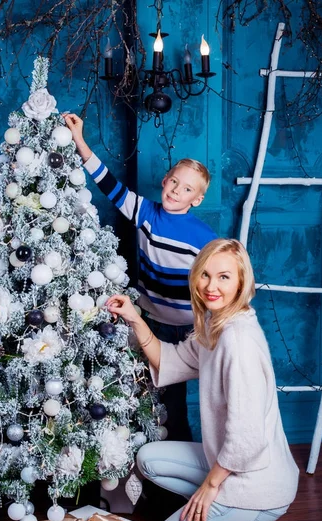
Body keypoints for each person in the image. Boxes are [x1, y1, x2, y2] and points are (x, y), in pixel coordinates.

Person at [105, 238, 300, 521]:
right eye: (205, 275)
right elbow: (172, 360)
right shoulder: (216, 324)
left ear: (242, 282)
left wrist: (210, 487)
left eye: (224, 277)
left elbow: (247, 437)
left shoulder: (238, 341)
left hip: (257, 486)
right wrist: (135, 318)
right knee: (149, 457)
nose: (211, 286)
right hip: (232, 467)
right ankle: (212, 519)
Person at [64, 113, 217, 442]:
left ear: (197, 199)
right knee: (141, 397)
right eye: (174, 182)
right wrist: (79, 141)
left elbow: (218, 284)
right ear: (164, 180)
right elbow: (109, 185)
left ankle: (178, 467)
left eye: (187, 188)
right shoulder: (145, 212)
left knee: (172, 404)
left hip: (186, 331)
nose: (177, 191)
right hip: (147, 320)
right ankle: (145, 465)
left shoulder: (204, 239)